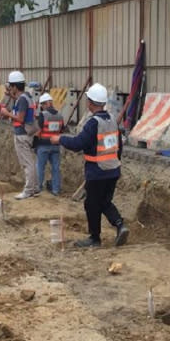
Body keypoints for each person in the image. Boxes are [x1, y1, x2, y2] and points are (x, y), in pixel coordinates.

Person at [50, 83, 130, 248]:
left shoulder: (93, 123)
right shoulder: (113, 121)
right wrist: (115, 164)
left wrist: (60, 139)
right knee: (105, 202)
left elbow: (78, 143)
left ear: (91, 102)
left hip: (97, 171)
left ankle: (94, 238)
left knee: (92, 204)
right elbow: (118, 147)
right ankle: (120, 225)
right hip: (113, 169)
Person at [0, 71, 39, 199]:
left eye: (11, 86)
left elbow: (20, 119)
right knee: (29, 162)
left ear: (15, 86)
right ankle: (33, 187)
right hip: (26, 134)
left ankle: (29, 190)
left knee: (27, 163)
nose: (10, 88)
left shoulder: (22, 100)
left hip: (22, 134)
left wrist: (7, 113)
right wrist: (10, 95)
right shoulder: (26, 96)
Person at [35, 93, 65, 196]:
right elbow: (61, 130)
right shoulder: (60, 115)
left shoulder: (43, 115)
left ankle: (38, 188)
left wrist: (34, 142)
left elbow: (38, 131)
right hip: (56, 145)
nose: (42, 107)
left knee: (40, 167)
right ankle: (56, 189)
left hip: (43, 145)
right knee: (55, 168)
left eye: (42, 105)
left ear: (45, 104)